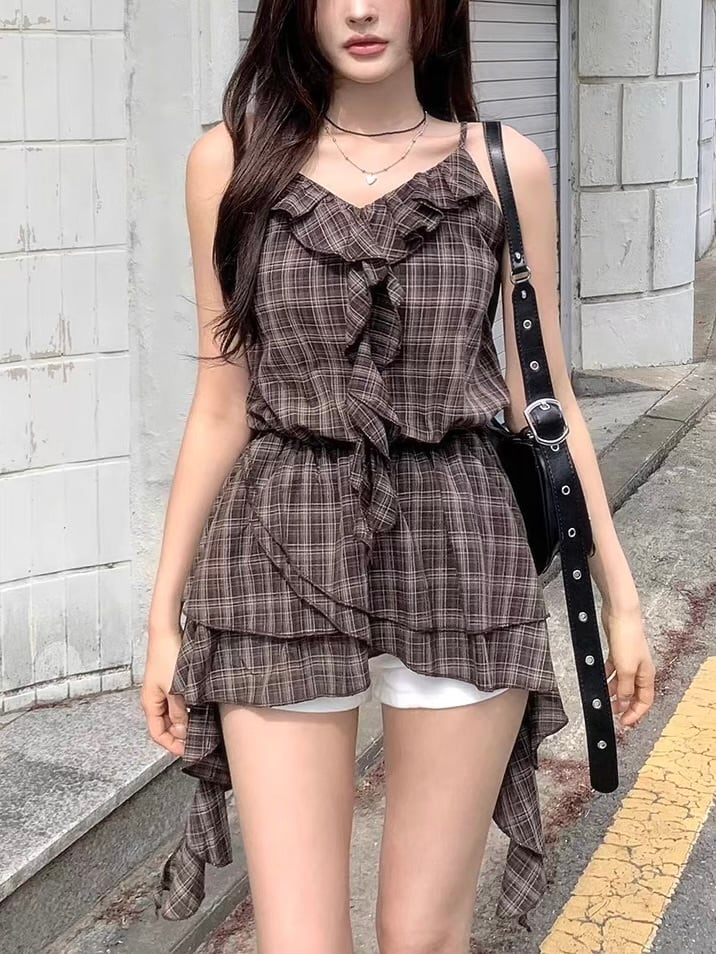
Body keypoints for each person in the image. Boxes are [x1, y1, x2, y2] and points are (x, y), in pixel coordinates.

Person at [140, 1, 656, 951]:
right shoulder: (230, 163)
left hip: (460, 540)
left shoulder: (503, 166)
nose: (362, 9)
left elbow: (544, 403)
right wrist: (163, 614)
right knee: (300, 940)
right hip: (280, 542)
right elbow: (220, 401)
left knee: (423, 935)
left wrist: (618, 596)